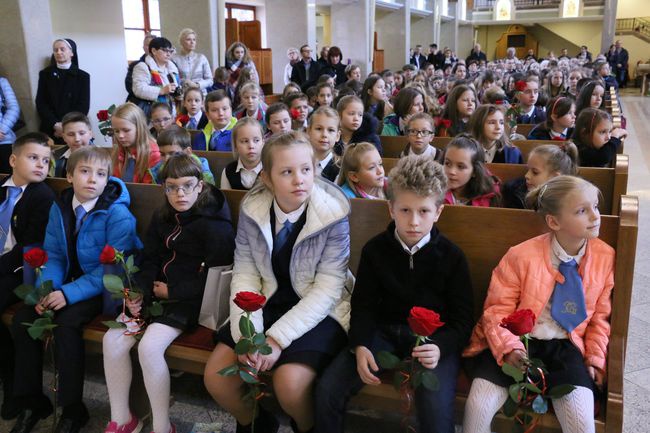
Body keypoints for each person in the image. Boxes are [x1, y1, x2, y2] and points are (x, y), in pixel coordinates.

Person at [204, 131, 351, 433]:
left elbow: (328, 288)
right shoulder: (253, 209)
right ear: (268, 178)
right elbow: (245, 273)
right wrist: (250, 335)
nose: (299, 179)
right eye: (287, 172)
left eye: (306, 170)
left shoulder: (334, 213)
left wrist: (275, 340)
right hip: (267, 299)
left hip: (318, 308)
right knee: (218, 378)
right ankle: (256, 423)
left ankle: (308, 427)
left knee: (290, 384)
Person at [316, 155, 474, 433]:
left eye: (423, 211)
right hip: (383, 332)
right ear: (391, 209)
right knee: (328, 390)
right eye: (405, 210)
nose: (413, 221)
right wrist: (361, 343)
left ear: (438, 211)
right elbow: (363, 304)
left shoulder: (452, 257)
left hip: (433, 342)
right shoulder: (375, 250)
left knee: (436, 413)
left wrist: (440, 347)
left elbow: (462, 320)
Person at [462, 175, 614, 433]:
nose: (595, 216)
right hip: (516, 342)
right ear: (554, 221)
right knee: (477, 409)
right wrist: (510, 348)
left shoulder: (604, 256)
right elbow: (496, 310)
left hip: (567, 346)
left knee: (581, 423)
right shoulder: (520, 255)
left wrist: (595, 358)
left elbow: (600, 317)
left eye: (595, 207)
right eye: (582, 210)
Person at [10, 147, 141, 433]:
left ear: (108, 180)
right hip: (69, 281)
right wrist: (49, 289)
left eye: (101, 174)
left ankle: (72, 410)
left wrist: (67, 294)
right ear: (69, 176)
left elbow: (112, 269)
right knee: (24, 319)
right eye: (84, 171)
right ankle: (32, 401)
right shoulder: (60, 206)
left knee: (66, 324)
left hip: (105, 288)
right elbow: (54, 254)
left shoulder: (118, 214)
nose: (92, 179)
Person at [103, 154, 234, 433]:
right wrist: (136, 291)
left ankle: (163, 426)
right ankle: (122, 419)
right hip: (155, 294)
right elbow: (148, 257)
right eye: (171, 186)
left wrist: (173, 290)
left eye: (187, 185)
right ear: (164, 188)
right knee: (112, 339)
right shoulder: (162, 216)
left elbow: (219, 276)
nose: (180, 193)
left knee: (150, 348)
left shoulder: (215, 224)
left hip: (189, 302)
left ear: (200, 186)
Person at [0, 133, 55, 421]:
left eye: (45, 160)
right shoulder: (2, 188)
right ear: (13, 159)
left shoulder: (42, 195)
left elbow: (29, 245)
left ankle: (12, 385)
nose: (40, 165)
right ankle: (8, 377)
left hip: (20, 270)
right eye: (33, 157)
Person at [35, 38, 90, 143]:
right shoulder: (45, 74)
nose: (58, 52)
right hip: (50, 128)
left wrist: (65, 127)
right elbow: (41, 102)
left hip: (74, 130)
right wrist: (55, 124)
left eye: (62, 49)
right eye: (55, 50)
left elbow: (83, 106)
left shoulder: (83, 76)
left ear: (72, 53)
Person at [501, 143, 579, 209]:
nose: (526, 175)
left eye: (535, 172)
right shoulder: (514, 194)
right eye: (528, 170)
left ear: (555, 177)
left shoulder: (571, 200)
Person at [442, 134, 500, 207]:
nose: (451, 171)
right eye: (447, 163)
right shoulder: (433, 192)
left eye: (460, 167)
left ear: (475, 171)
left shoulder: (489, 198)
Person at [111, 102, 161, 184]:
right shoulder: (118, 151)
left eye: (126, 130)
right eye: (116, 131)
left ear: (139, 128)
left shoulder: (154, 154)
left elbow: (150, 190)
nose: (120, 136)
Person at [131, 37, 181, 117]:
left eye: (170, 51)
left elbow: (176, 88)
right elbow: (138, 89)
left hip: (171, 112)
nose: (168, 54)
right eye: (164, 50)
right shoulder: (143, 66)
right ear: (154, 51)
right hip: (151, 114)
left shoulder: (172, 68)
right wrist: (161, 90)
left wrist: (179, 94)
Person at [220, 118, 264, 190]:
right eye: (245, 141)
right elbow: (226, 198)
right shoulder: (228, 171)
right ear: (235, 145)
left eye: (256, 140)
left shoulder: (271, 169)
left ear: (263, 142)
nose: (251, 146)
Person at [172, 28, 213, 95]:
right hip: (183, 95)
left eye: (194, 40)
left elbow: (210, 80)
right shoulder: (175, 59)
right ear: (181, 42)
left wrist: (197, 85)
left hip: (201, 94)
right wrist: (184, 81)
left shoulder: (201, 58)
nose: (192, 42)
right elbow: (173, 79)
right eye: (188, 39)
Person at [54, 112, 94, 178]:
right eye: (71, 134)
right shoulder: (55, 156)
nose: (77, 139)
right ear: (64, 137)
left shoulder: (102, 156)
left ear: (90, 134)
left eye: (82, 133)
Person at [308, 106, 340, 182]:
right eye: (319, 129)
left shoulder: (341, 168)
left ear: (337, 136)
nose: (324, 134)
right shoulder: (300, 161)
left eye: (331, 130)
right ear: (308, 131)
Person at [125, 33, 156, 103]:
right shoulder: (135, 65)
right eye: (147, 45)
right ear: (143, 47)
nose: (150, 47)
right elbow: (129, 86)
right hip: (141, 102)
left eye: (152, 45)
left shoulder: (166, 64)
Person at [0, 76, 21, 171]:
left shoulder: (2, 82)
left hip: (4, 139)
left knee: (9, 173)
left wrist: (2, 129)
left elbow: (14, 108)